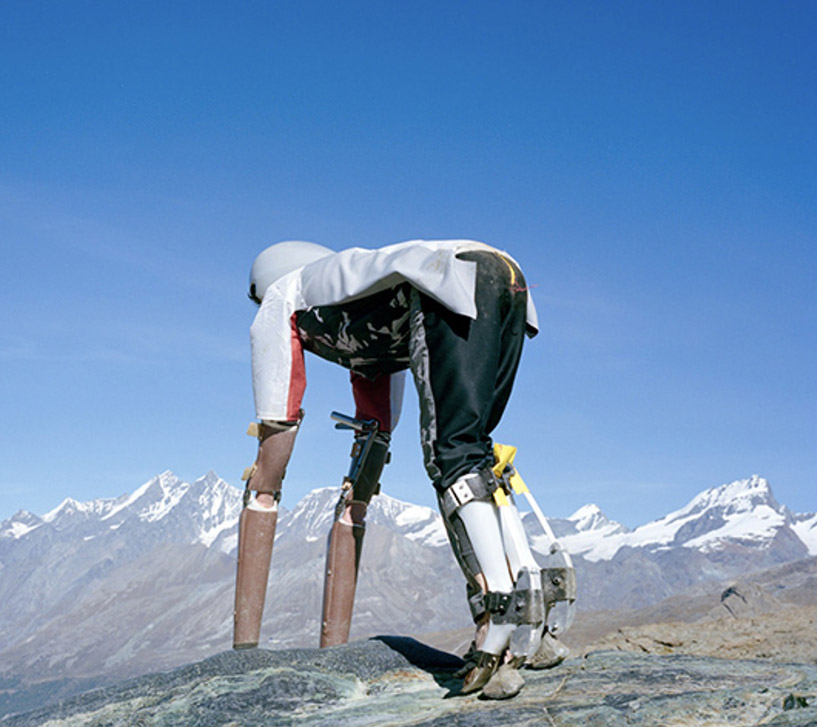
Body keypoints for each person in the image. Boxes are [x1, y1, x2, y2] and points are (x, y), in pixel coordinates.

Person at [232, 239, 573, 697]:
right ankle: (535, 622)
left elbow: (279, 411)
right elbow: (376, 424)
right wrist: (360, 483)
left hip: (445, 282)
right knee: (474, 449)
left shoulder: (283, 297)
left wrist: (264, 478)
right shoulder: (359, 296)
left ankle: (497, 625)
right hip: (507, 277)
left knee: (451, 455)